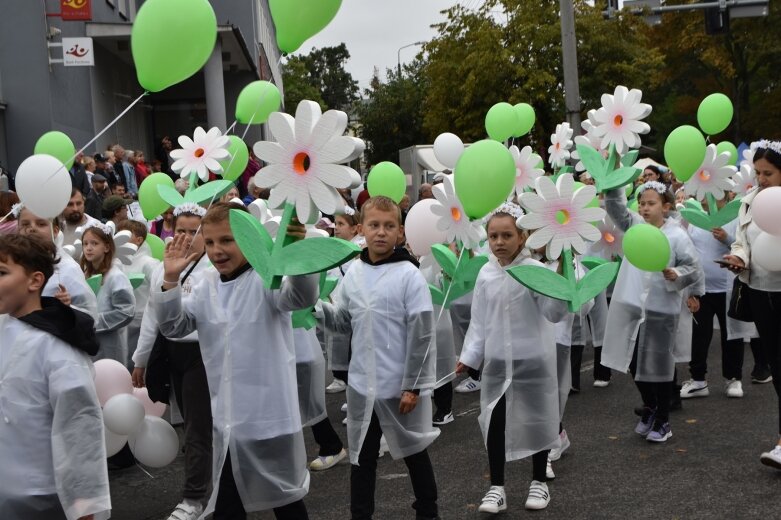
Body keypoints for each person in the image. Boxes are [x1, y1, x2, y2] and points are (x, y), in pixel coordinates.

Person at [152, 202, 318, 519]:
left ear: (247, 237)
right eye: (211, 242)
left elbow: (301, 298)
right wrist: (170, 280)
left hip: (269, 419)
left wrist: (296, 256)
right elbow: (174, 326)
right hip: (228, 422)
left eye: (227, 240)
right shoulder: (205, 287)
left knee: (286, 501)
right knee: (228, 503)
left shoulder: (266, 279)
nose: (217, 250)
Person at [319, 196, 440, 520]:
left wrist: (413, 385)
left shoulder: (408, 275)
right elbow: (344, 321)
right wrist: (318, 311)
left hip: (399, 387)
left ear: (400, 232)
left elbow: (421, 335)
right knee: (362, 458)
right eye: (374, 225)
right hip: (363, 386)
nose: (381, 233)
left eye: (389, 226)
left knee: (415, 453)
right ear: (361, 229)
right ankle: (361, 514)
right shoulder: (355, 272)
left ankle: (428, 512)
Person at [457, 203, 568, 514]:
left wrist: (561, 280)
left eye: (507, 235)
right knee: (495, 421)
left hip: (532, 360)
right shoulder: (486, 273)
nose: (499, 242)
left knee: (538, 419)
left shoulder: (535, 271)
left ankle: (538, 481)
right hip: (497, 364)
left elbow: (554, 312)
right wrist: (469, 357)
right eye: (493, 236)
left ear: (523, 236)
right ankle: (497, 487)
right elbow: (479, 322)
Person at [0, 233, 110, 520]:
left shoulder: (58, 350)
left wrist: (84, 505)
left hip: (40, 494)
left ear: (35, 281)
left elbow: (79, 431)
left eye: (1, 272)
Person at [602, 181, 701, 443]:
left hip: (662, 309)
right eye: (642, 203)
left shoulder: (677, 235)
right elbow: (615, 208)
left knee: (657, 367)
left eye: (651, 203)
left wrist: (677, 274)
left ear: (666, 206)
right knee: (633, 362)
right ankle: (650, 406)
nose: (644, 208)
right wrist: (614, 179)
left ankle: (663, 420)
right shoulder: (635, 227)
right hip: (633, 304)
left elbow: (694, 267)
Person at [132, 203, 212, 520]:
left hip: (203, 355)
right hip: (172, 352)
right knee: (192, 425)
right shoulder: (164, 264)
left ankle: (194, 498)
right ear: (170, 229)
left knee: (196, 429)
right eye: (181, 230)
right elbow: (154, 313)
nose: (187, 237)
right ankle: (212, 484)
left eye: (195, 231)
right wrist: (141, 359)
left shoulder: (214, 266)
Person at [723, 140, 781, 469]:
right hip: (758, 292)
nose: (761, 179)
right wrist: (737, 258)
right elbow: (742, 242)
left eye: (768, 173)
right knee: (776, 365)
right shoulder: (748, 203)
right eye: (757, 172)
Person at [17, 207, 97, 318]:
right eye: (25, 224)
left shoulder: (68, 268)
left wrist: (67, 307)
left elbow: (89, 313)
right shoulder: (11, 263)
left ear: (55, 231)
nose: (32, 228)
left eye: (41, 224)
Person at [80, 222, 136, 363]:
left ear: (106, 247)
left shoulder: (115, 276)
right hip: (88, 343)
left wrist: (94, 323)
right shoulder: (84, 274)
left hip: (110, 344)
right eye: (85, 244)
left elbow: (127, 311)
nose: (89, 248)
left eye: (94, 243)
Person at [324, 209, 365, 395]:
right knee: (340, 344)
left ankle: (351, 389)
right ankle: (342, 380)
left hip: (353, 306)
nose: (336, 228)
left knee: (353, 350)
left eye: (341, 224)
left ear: (355, 228)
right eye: (335, 224)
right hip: (338, 302)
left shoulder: (358, 249)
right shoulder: (336, 246)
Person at [117, 219, 160, 367]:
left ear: (139, 240)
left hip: (141, 323)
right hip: (122, 321)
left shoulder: (148, 263)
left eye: (126, 234)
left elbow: (158, 288)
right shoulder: (117, 262)